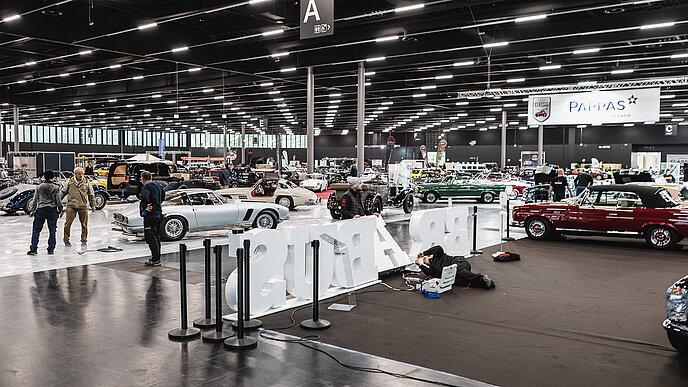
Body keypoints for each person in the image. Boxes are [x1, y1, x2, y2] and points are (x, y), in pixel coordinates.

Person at [415, 245, 494, 289]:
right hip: (455, 272)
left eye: (425, 259)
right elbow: (429, 272)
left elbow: (438, 248)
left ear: (429, 256)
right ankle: (485, 283)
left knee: (456, 268)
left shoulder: (438, 256)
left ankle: (482, 277)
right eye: (424, 262)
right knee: (459, 282)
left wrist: (424, 253)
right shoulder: (433, 269)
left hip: (459, 262)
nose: (425, 261)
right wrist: (420, 265)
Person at [27, 170, 63, 255]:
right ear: (53, 178)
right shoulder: (56, 188)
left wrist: (32, 210)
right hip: (52, 210)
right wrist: (61, 209)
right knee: (52, 230)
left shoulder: (39, 187)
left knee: (36, 230)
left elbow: (35, 200)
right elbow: (58, 201)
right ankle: (51, 249)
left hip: (41, 210)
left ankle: (33, 249)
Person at [61, 167, 96, 247]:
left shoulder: (86, 182)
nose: (81, 175)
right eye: (79, 174)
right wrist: (58, 202)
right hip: (71, 205)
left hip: (83, 206)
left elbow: (91, 194)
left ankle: (84, 240)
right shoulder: (70, 182)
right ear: (75, 174)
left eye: (82, 173)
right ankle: (66, 240)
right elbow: (63, 192)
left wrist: (93, 205)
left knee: (84, 225)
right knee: (68, 224)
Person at [140, 171, 165, 267]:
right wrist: (157, 204)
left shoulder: (146, 187)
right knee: (156, 236)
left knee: (150, 237)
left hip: (151, 215)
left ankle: (155, 260)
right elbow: (163, 196)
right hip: (159, 213)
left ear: (142, 178)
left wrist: (146, 206)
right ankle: (156, 257)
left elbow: (145, 197)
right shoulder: (158, 186)